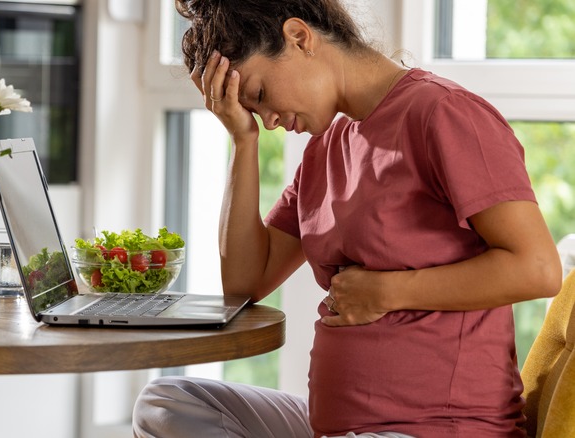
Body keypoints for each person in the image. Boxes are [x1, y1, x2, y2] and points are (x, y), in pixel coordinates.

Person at [132, 0, 563, 437]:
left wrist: (389, 291)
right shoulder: (326, 147)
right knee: (167, 404)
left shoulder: (444, 114)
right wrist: (243, 141)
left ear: (299, 38)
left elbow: (538, 269)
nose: (269, 120)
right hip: (339, 429)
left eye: (260, 96)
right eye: (252, 111)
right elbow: (245, 283)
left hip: (438, 429)